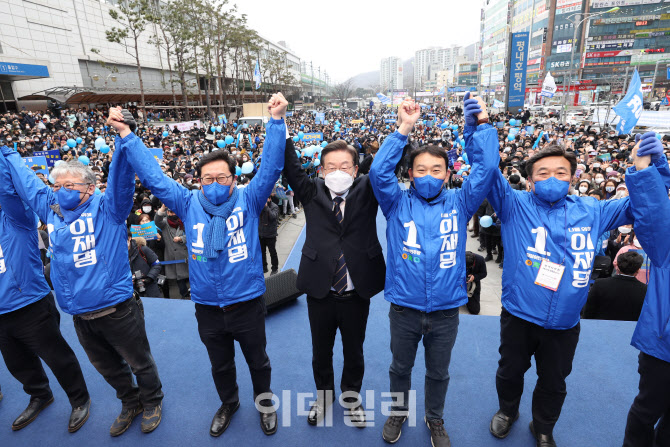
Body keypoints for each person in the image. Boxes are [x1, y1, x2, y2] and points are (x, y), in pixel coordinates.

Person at [475, 123, 668, 446]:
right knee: (510, 371)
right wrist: (479, 127)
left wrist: (650, 169)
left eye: (561, 173)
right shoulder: (513, 205)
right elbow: (487, 171)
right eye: (544, 172)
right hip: (519, 314)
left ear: (573, 177)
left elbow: (644, 208)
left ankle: (544, 425)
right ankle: (508, 411)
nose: (553, 178)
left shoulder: (593, 210)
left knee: (554, 381)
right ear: (530, 178)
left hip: (565, 321)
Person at [116, 93, 288, 437]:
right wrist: (126, 136)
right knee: (220, 364)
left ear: (234, 178)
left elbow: (270, 167)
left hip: (247, 301)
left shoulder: (250, 200)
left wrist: (276, 122)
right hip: (208, 306)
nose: (214, 184)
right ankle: (229, 403)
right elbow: (154, 178)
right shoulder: (186, 201)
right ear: (198, 181)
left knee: (259, 361)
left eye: (221, 177)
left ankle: (264, 401)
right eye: (207, 178)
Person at [0, 107, 164, 437]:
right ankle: (129, 402)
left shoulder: (109, 208)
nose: (60, 190)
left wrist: (122, 135)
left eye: (68, 184)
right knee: (106, 367)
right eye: (56, 184)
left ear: (89, 186)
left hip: (118, 310)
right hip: (80, 315)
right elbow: (27, 183)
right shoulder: (53, 209)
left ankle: (152, 402)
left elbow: (120, 177)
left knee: (139, 362)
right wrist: (5, 150)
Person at [370, 94, 499, 447]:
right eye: (421, 169)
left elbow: (487, 170)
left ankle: (435, 418)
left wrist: (483, 126)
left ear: (448, 174)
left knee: (438, 372)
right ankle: (398, 412)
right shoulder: (395, 201)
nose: (428, 175)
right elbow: (378, 172)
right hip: (404, 308)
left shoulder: (461, 202)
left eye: (436, 169)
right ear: (410, 173)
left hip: (445, 310)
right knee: (400, 368)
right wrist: (404, 128)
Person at [283, 136, 386, 428]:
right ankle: (324, 396)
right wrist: (280, 123)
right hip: (320, 290)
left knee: (355, 351)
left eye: (344, 165)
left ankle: (351, 397)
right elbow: (291, 167)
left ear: (356, 170)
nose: (337, 172)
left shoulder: (368, 188)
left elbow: (386, 163)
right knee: (321, 351)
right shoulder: (311, 191)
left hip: (357, 291)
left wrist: (403, 128)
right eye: (330, 166)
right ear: (320, 171)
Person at [0, 148, 90, 433]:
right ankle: (40, 394)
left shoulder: (14, 217)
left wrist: (3, 153)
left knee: (57, 356)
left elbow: (7, 190)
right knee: (18, 363)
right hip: (1, 314)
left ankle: (79, 399)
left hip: (30, 303)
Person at [622, 131, 670, 447]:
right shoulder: (666, 245)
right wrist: (650, 172)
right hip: (664, 350)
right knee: (646, 413)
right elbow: (654, 217)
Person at [582, 251, 646, 321]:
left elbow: (588, 312)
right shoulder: (644, 290)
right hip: (631, 329)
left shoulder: (600, 284)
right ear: (638, 270)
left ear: (617, 267)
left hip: (601, 328)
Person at [155, 204, 190, 298]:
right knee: (179, 278)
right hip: (172, 255)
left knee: (191, 276)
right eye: (170, 212)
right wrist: (162, 208)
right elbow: (157, 221)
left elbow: (192, 234)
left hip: (185, 254)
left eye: (173, 212)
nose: (172, 214)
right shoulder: (165, 223)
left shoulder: (185, 221)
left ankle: (193, 293)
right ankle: (185, 295)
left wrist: (181, 238)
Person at [128, 233, 163, 298]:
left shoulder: (143, 249)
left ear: (129, 238)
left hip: (150, 287)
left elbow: (157, 264)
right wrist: (128, 279)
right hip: (132, 290)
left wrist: (149, 278)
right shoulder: (119, 254)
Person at [259, 196, 279, 275]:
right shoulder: (259, 206)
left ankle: (274, 268)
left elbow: (273, 217)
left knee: (272, 252)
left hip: (271, 234)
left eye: (266, 198)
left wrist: (266, 207)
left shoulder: (274, 207)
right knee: (262, 252)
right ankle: (264, 267)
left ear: (270, 199)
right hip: (261, 234)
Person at [465, 251, 487, 315]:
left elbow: (484, 273)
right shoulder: (458, 257)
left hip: (473, 283)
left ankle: (467, 298)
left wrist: (474, 277)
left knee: (475, 310)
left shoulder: (480, 259)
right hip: (458, 281)